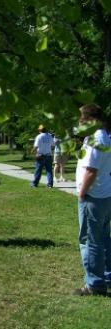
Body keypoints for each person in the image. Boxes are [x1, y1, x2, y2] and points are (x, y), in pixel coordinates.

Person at [73, 103, 111, 296]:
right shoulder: (104, 136)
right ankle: (107, 276)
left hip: (93, 196)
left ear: (90, 120)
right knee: (104, 237)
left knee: (90, 240)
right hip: (104, 195)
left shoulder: (97, 139)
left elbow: (91, 170)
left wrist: (82, 193)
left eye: (82, 120)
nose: (79, 123)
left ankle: (95, 284)